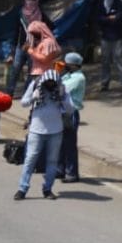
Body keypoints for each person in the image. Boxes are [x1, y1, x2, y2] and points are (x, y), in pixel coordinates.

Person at [15, 69, 75, 200]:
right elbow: (23, 103)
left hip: (56, 131)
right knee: (30, 159)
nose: (50, 86)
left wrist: (63, 97)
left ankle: (47, 189)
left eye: (52, 83)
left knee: (52, 161)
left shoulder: (62, 89)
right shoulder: (35, 85)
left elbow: (70, 110)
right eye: (48, 83)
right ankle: (22, 189)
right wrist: (33, 97)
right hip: (36, 131)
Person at [5, 0, 51, 96]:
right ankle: (9, 93)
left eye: (33, 1)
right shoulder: (20, 14)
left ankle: (27, 93)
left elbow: (50, 27)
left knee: (32, 72)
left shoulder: (41, 15)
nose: (31, 4)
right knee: (15, 69)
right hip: (21, 47)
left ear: (37, 1)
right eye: (29, 0)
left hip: (34, 48)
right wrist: (12, 52)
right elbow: (16, 32)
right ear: (25, 1)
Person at [97, 0, 122, 94]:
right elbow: (99, 19)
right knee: (105, 60)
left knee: (120, 59)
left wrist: (108, 19)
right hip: (105, 37)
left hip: (118, 36)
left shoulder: (118, 4)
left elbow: (119, 18)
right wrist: (109, 18)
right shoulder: (101, 4)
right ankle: (105, 83)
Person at [58, 52, 85, 182]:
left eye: (67, 64)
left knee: (69, 143)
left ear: (74, 65)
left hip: (71, 113)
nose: (65, 65)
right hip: (62, 112)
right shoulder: (68, 75)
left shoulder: (79, 78)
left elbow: (62, 89)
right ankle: (60, 169)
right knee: (60, 142)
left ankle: (72, 173)